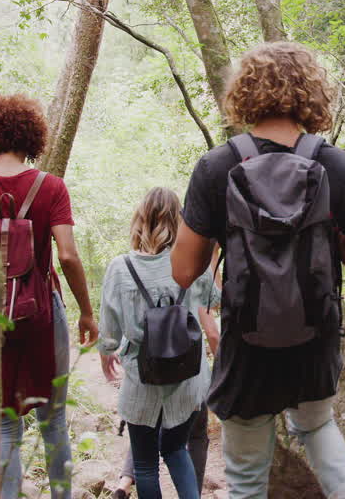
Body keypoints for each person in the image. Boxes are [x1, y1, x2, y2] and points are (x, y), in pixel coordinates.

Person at [169, 42, 345, 499]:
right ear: (312, 94)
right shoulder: (337, 165)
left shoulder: (217, 167)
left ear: (244, 93)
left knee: (246, 478)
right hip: (316, 333)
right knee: (319, 427)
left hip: (247, 338)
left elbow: (183, 271)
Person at [0, 94, 100, 499]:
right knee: (52, 419)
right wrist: (87, 312)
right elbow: (67, 255)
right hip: (40, 312)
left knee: (4, 422)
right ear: (31, 135)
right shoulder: (49, 187)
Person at [100, 187, 216, 499]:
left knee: (145, 464)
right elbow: (214, 299)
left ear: (140, 220)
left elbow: (109, 328)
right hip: (187, 377)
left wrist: (106, 353)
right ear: (180, 223)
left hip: (142, 376)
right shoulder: (193, 263)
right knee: (176, 449)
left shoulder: (120, 268)